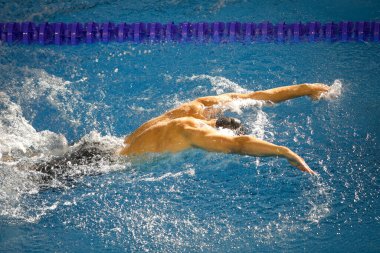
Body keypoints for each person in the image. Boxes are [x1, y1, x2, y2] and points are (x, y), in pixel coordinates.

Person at [117, 83, 331, 175]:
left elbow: (254, 96)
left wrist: (305, 89)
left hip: (106, 148)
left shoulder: (197, 107)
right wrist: (284, 151)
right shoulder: (194, 133)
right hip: (106, 168)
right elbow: (238, 145)